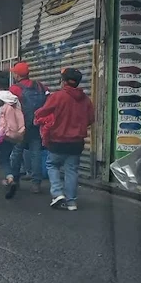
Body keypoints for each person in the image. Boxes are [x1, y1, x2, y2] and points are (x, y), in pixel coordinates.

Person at [34, 68, 94, 211]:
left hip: (58, 140)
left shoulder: (58, 96)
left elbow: (42, 112)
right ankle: (71, 202)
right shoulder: (85, 99)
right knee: (72, 170)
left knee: (52, 165)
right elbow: (91, 119)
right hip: (77, 142)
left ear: (64, 81)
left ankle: (57, 193)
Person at [8, 62, 48, 197]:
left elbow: (10, 108)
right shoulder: (40, 86)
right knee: (36, 153)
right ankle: (36, 183)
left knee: (17, 152)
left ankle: (14, 179)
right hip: (37, 124)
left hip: (21, 125)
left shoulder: (15, 89)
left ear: (17, 75)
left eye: (14, 72)